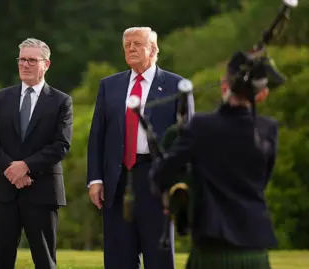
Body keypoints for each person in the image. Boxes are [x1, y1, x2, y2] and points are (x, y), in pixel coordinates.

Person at [148, 51, 278, 269]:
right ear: (261, 94)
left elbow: (160, 175)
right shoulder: (268, 129)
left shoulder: (200, 126)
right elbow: (262, 180)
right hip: (255, 250)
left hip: (212, 251)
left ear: (223, 84)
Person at [86, 26, 194, 269]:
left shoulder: (177, 85)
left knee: (158, 255)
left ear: (154, 49)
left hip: (156, 178)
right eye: (127, 45)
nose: (131, 49)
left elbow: (187, 139)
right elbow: (97, 135)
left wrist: (182, 184)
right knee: (118, 256)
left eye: (137, 44)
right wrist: (95, 179)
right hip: (117, 179)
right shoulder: (109, 86)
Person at [0, 38, 73, 269]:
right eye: (22, 59)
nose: (25, 64)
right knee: (0, 260)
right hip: (4, 190)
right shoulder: (2, 98)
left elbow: (61, 144)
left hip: (42, 191)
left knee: (45, 260)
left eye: (32, 60)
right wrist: (11, 169)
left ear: (46, 64)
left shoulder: (62, 101)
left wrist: (26, 166)